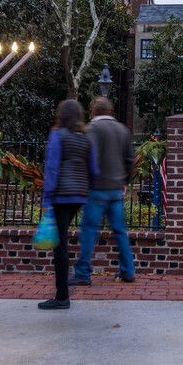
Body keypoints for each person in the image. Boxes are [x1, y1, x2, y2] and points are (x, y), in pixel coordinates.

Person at [68, 97, 136, 286]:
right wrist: (125, 181)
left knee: (89, 231)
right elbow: (131, 160)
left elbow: (85, 158)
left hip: (96, 189)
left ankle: (83, 273)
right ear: (111, 111)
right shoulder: (123, 130)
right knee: (120, 231)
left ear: (93, 111)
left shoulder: (90, 130)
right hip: (116, 189)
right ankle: (128, 271)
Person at [38, 99, 98, 310]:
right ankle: (62, 294)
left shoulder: (57, 135)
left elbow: (52, 167)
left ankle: (62, 296)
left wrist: (47, 198)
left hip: (61, 195)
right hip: (79, 196)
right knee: (61, 242)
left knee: (60, 246)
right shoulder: (86, 139)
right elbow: (94, 170)